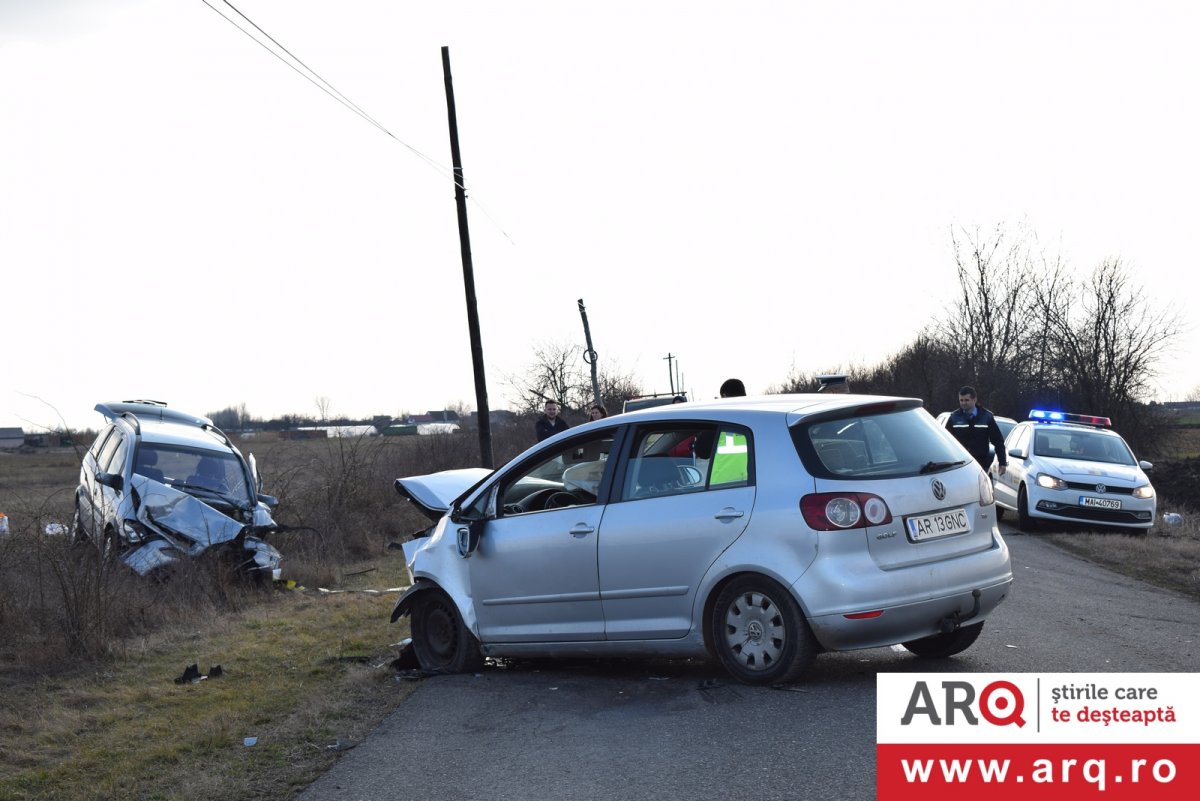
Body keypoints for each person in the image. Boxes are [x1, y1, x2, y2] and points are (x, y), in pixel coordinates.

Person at [944, 385, 1008, 475]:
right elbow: (946, 441)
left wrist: (1002, 462)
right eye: (961, 400)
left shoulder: (986, 417)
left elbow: (998, 441)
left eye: (966, 400)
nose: (963, 403)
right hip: (959, 464)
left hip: (981, 464)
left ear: (974, 400)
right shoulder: (954, 418)